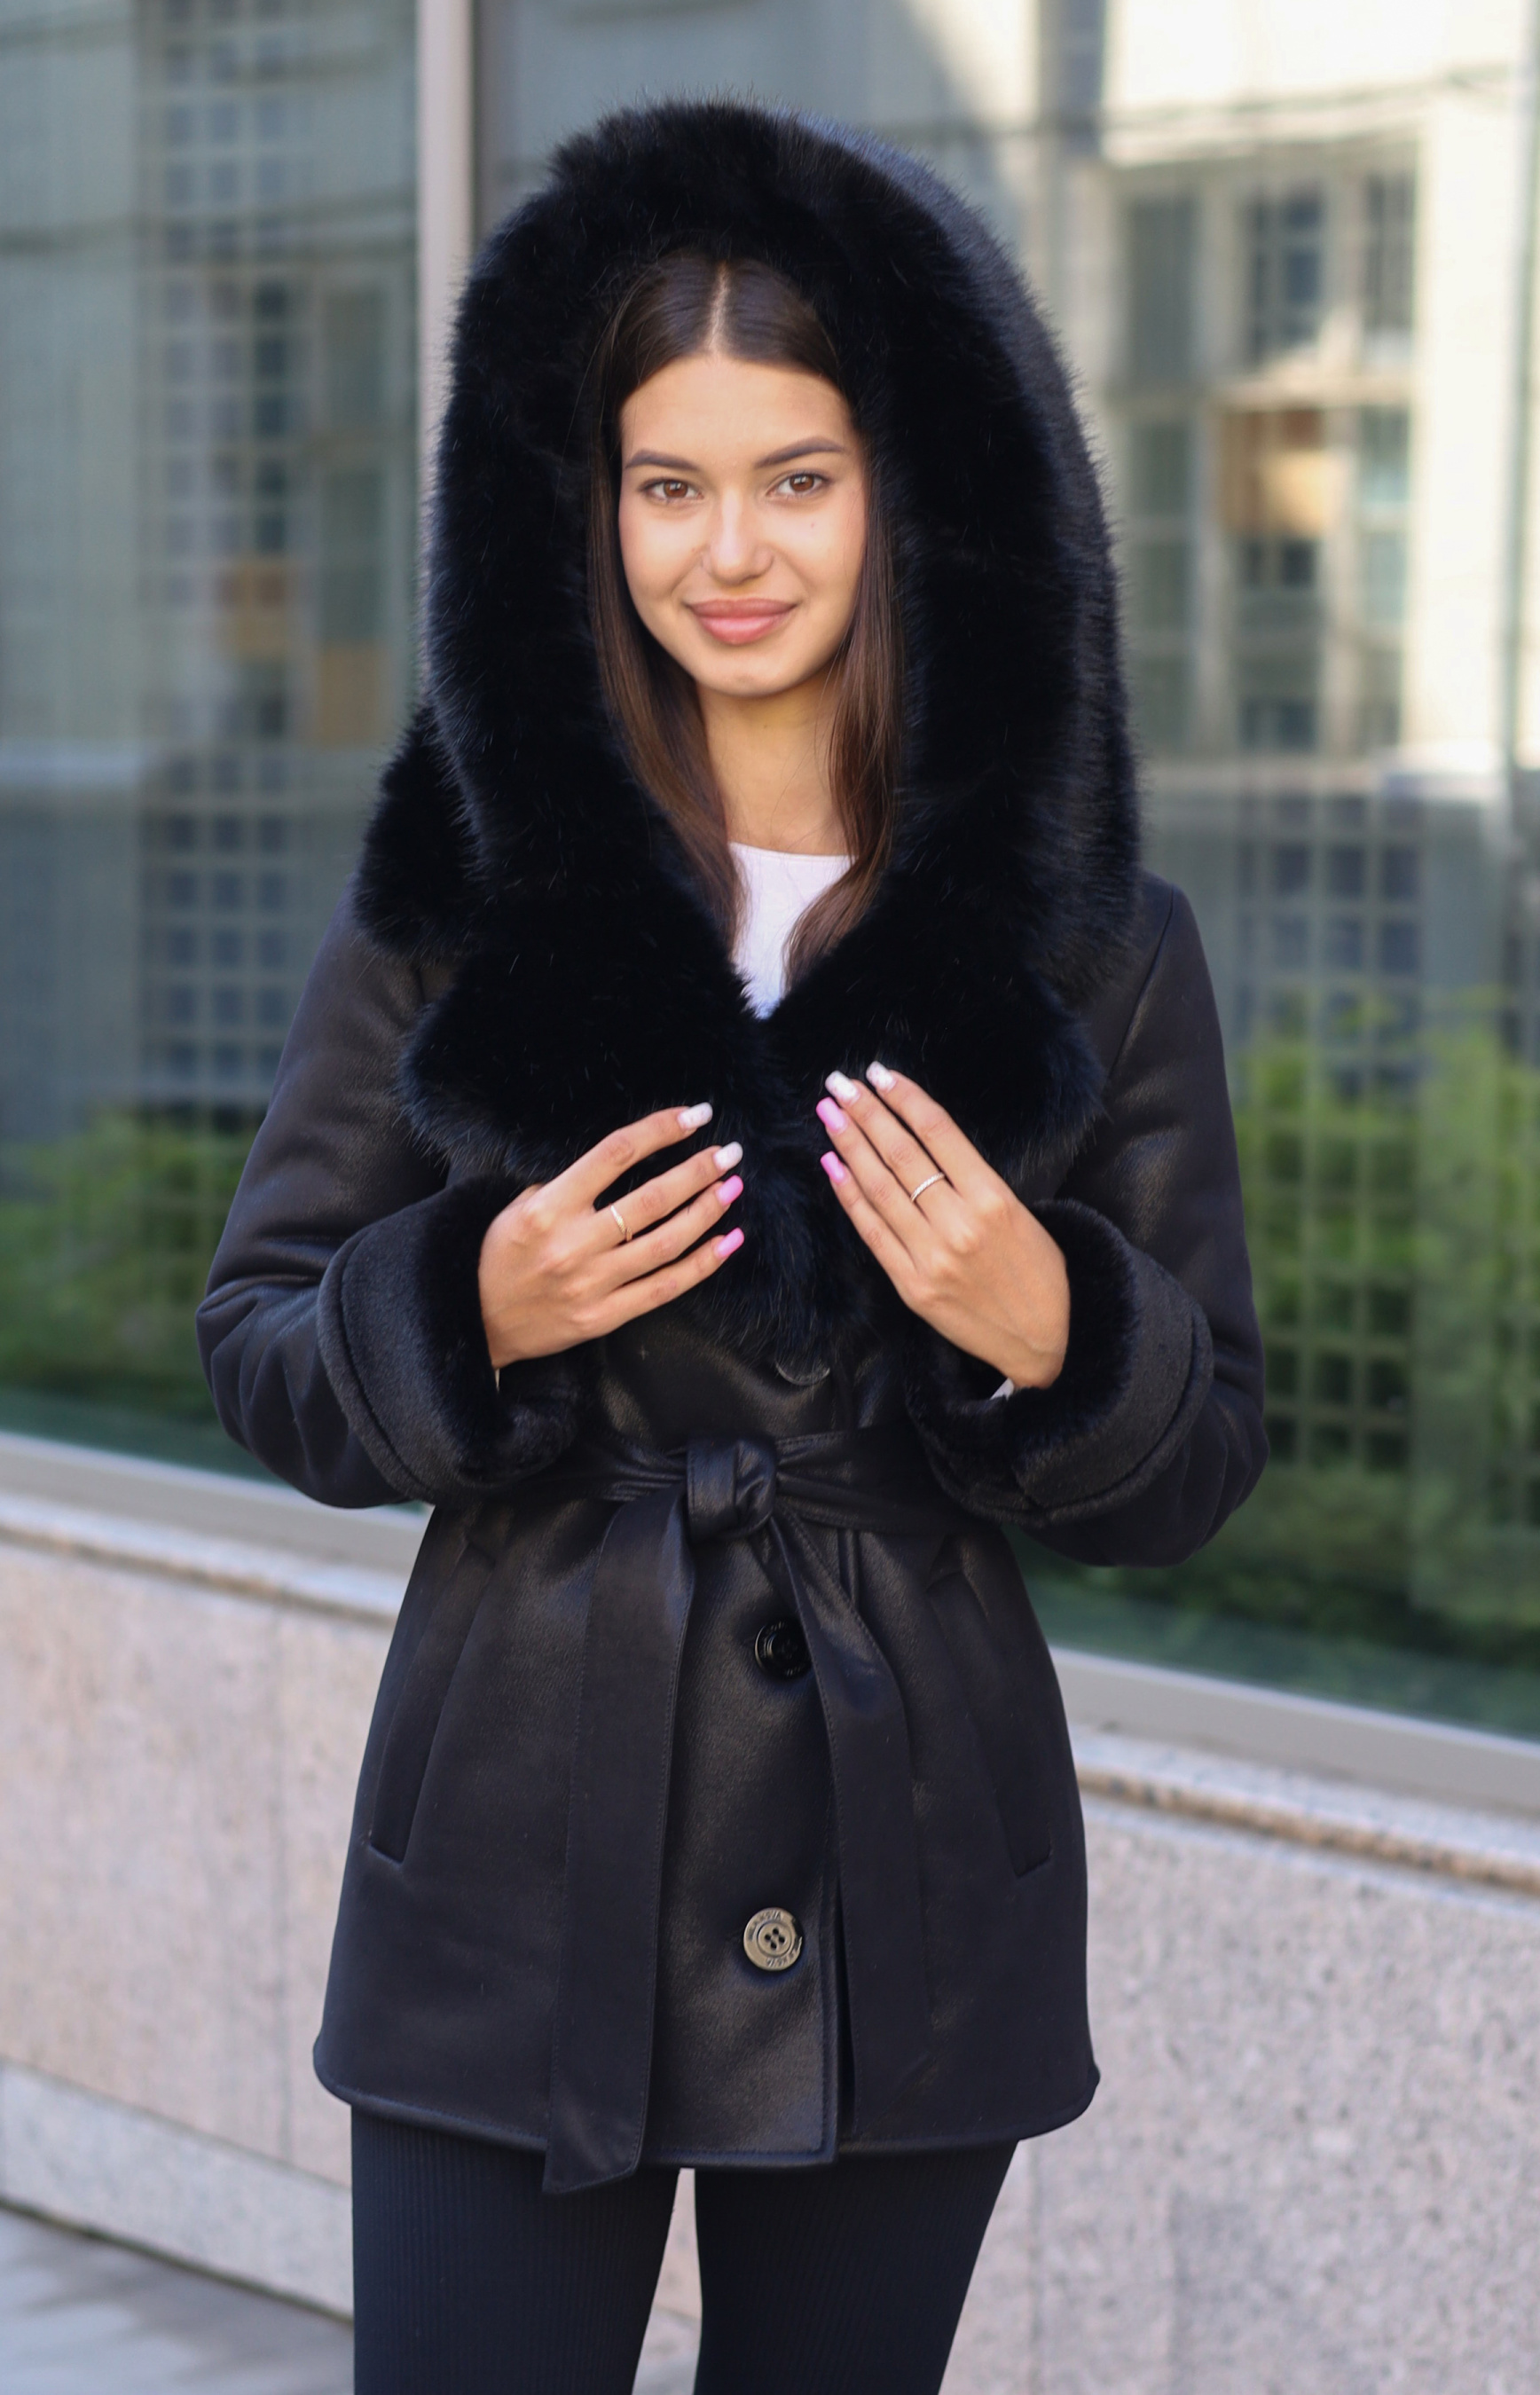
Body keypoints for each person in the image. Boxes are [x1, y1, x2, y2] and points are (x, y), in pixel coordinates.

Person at [198, 98, 1266, 2395]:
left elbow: (1202, 1456)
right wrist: (466, 1308)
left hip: (913, 1860)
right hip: (510, 1838)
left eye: (797, 476)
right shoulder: (467, 886)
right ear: (586, 513)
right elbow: (259, 1337)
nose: (730, 551)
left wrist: (1057, 1328)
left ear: (912, 494)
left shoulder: (1092, 939)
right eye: (664, 484)